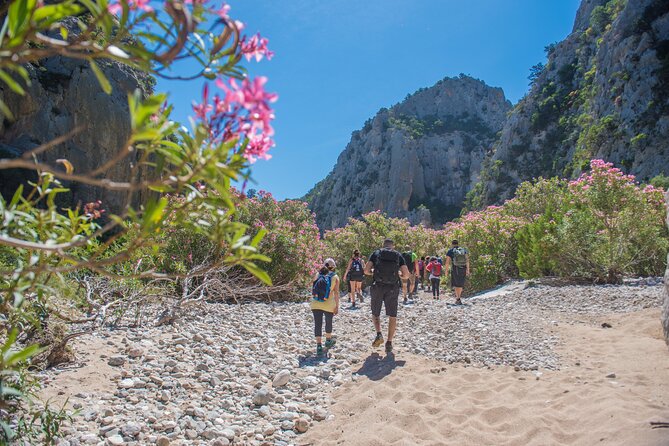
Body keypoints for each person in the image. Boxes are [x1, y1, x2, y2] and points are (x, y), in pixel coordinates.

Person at [364, 238, 410, 353]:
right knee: (392, 315)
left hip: (378, 286)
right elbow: (406, 275)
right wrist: (399, 275)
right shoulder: (398, 255)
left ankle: (379, 333)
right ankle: (389, 342)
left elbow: (366, 270)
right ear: (392, 246)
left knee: (375, 313)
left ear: (383, 245)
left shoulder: (376, 253)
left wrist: (373, 272)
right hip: (392, 288)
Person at [310, 258, 340, 355]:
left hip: (316, 303)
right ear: (333, 267)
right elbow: (336, 293)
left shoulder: (318, 274)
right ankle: (328, 341)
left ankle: (318, 346)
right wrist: (337, 306)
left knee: (318, 324)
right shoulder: (335, 277)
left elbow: (313, 287)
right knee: (328, 322)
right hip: (328, 303)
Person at [445, 240, 470, 305]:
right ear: (458, 244)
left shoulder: (450, 251)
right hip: (463, 268)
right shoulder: (463, 250)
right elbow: (467, 260)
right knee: (461, 283)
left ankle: (458, 298)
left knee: (456, 284)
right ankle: (458, 297)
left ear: (452, 244)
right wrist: (468, 270)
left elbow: (447, 262)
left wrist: (446, 272)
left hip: (455, 269)